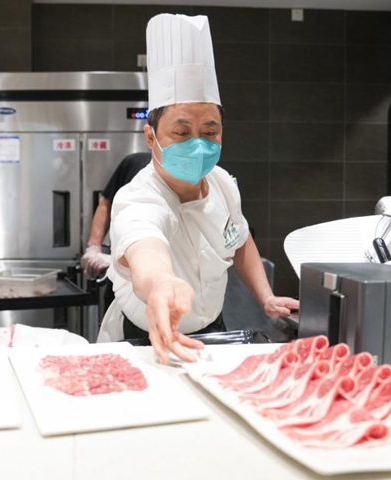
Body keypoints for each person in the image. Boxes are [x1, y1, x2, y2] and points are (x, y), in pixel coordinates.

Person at [98, 14, 299, 363]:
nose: (199, 144)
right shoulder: (138, 198)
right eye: (181, 132)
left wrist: (265, 297)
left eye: (210, 132)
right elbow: (145, 249)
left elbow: (239, 238)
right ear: (151, 136)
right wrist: (161, 284)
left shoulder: (222, 182)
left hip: (213, 328)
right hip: (145, 337)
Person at [81, 152, 150, 279]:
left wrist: (119, 262)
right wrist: (94, 247)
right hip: (119, 276)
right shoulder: (135, 162)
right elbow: (106, 204)